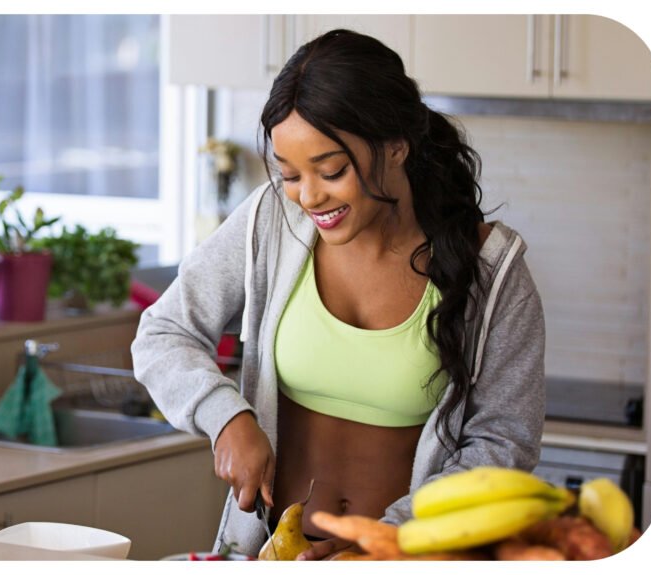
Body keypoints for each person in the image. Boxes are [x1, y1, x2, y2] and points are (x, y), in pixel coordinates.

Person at [131, 28, 545, 560]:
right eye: (289, 175)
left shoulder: (493, 271)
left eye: (331, 171)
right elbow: (163, 332)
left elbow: (503, 444)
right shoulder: (269, 221)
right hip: (272, 553)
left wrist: (382, 536)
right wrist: (227, 417)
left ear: (396, 147)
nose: (309, 197)